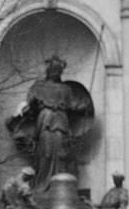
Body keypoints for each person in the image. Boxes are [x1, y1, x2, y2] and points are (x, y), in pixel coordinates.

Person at [7, 55, 94, 188]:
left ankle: (58, 186)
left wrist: (84, 105)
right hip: (46, 125)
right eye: (54, 70)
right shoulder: (40, 86)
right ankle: (43, 185)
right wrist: (20, 111)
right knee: (45, 153)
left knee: (60, 154)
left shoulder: (65, 89)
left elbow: (73, 107)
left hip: (60, 125)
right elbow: (30, 105)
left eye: (57, 70)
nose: (55, 73)